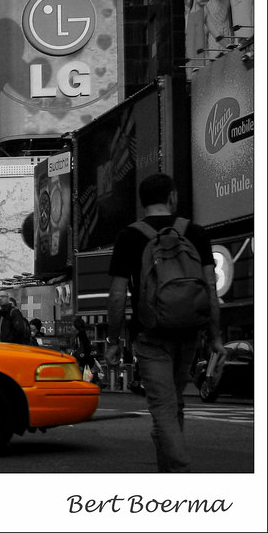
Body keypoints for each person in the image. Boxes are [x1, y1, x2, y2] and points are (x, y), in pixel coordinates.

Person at [105, 172, 223, 473]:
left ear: (142, 203)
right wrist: (215, 336)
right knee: (175, 404)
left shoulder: (129, 236)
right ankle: (170, 474)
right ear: (173, 197)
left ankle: (180, 470)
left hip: (151, 334)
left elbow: (118, 295)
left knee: (162, 407)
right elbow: (210, 288)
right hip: (189, 332)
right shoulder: (195, 232)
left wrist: (113, 340)